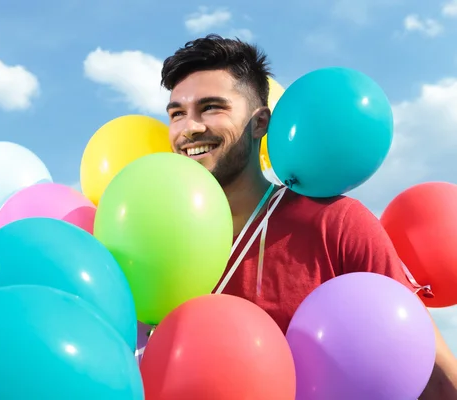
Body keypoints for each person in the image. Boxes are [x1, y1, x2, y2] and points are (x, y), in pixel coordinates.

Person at [160, 34, 457, 399]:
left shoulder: (337, 223)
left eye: (211, 108)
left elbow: (438, 380)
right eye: (177, 113)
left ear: (259, 123)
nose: (189, 128)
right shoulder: (155, 241)